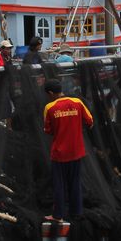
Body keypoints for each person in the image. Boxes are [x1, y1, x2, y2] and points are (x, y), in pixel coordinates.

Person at [43, 78, 93, 221]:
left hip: (59, 153)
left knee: (59, 184)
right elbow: (90, 121)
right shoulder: (77, 102)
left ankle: (58, 215)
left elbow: (48, 130)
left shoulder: (50, 107)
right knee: (75, 181)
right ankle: (76, 211)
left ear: (51, 93)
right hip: (76, 151)